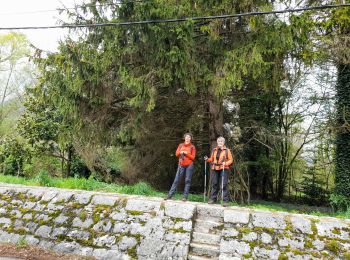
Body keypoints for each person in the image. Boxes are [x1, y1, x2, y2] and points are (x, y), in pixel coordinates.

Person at [165, 133, 196, 201]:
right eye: (186, 137)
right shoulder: (180, 145)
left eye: (189, 137)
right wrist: (181, 152)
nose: (187, 138)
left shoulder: (192, 147)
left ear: (190, 139)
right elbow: (176, 154)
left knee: (187, 181)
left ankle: (185, 197)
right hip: (181, 165)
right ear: (184, 138)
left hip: (189, 165)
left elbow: (193, 157)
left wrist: (186, 153)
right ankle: (170, 195)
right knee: (176, 180)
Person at [204, 136, 233, 207]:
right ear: (217, 142)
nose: (220, 142)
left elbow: (231, 160)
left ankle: (225, 201)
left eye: (221, 141)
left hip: (224, 168)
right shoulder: (214, 150)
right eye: (219, 141)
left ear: (223, 142)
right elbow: (212, 159)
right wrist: (207, 159)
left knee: (224, 184)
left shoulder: (227, 150)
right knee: (214, 183)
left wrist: (225, 163)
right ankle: (213, 199)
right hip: (215, 168)